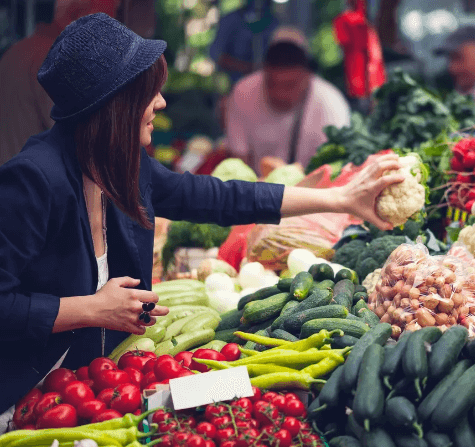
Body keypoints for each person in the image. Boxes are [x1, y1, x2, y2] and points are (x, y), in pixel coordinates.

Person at [0, 13, 404, 420]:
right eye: (149, 93)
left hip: (101, 388)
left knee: (232, 387)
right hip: (32, 399)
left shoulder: (121, 164)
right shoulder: (34, 180)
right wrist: (90, 308)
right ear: (114, 105)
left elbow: (220, 198)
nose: (160, 102)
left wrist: (341, 198)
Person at [0, 0, 121, 167]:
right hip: (33, 185)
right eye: (106, 24)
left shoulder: (16, 51)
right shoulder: (57, 58)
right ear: (78, 15)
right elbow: (81, 140)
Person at [226, 26, 351, 174]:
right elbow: (239, 164)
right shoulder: (243, 93)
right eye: (271, 84)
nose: (280, 94)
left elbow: (335, 170)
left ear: (308, 78)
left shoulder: (331, 104)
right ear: (263, 73)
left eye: (289, 85)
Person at [209, 0, 279, 85]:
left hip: (268, 86)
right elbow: (216, 54)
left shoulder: (275, 23)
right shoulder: (231, 20)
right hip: (235, 85)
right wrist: (247, 67)